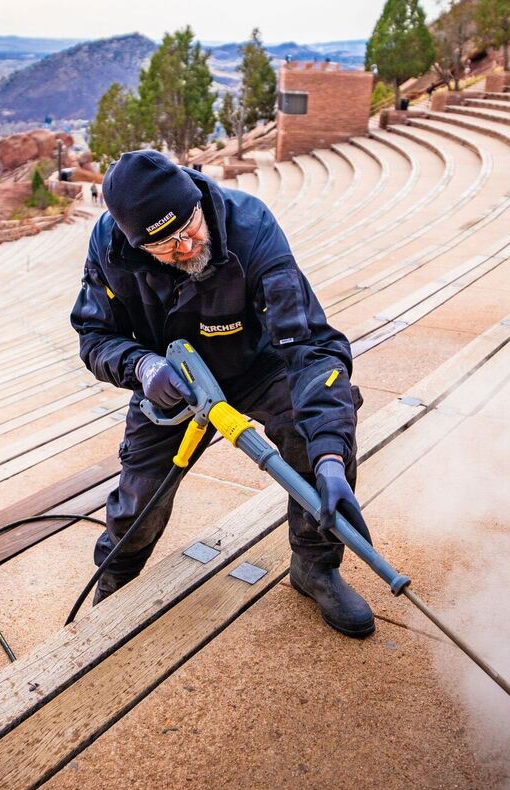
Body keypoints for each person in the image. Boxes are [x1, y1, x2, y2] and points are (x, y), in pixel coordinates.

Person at [71, 150, 374, 638]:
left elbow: (311, 346)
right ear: (135, 244)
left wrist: (331, 457)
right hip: (173, 379)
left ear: (195, 200)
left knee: (310, 432)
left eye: (189, 227)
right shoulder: (109, 247)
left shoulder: (251, 227)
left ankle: (315, 567)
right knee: (141, 492)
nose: (187, 245)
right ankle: (116, 579)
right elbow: (93, 336)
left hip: (257, 363)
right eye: (166, 246)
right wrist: (143, 367)